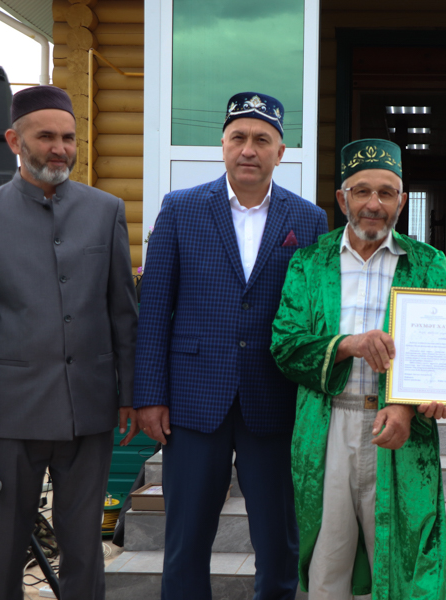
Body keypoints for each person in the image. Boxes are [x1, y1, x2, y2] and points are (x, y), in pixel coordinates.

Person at [0, 85, 138, 600]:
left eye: (68, 138)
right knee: (0, 555)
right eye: (46, 137)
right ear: (14, 141)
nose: (60, 148)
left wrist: (129, 392)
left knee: (85, 553)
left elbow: (123, 312)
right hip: (7, 420)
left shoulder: (106, 210)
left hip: (89, 413)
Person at [133, 92, 328, 600]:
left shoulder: (309, 220)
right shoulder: (180, 209)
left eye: (262, 139)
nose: (248, 149)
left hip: (275, 402)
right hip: (194, 401)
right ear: (221, 145)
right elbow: (154, 309)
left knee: (279, 543)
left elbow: (314, 315)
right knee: (185, 542)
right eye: (238, 137)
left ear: (280, 152)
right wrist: (149, 395)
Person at [271, 139, 446, 600]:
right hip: (328, 424)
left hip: (401, 432)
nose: (374, 204)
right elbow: (285, 346)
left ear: (402, 202)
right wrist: (348, 345)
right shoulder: (310, 263)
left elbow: (439, 353)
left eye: (387, 193)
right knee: (327, 561)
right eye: (362, 191)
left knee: (404, 560)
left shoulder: (427, 263)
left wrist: (406, 408)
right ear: (342, 198)